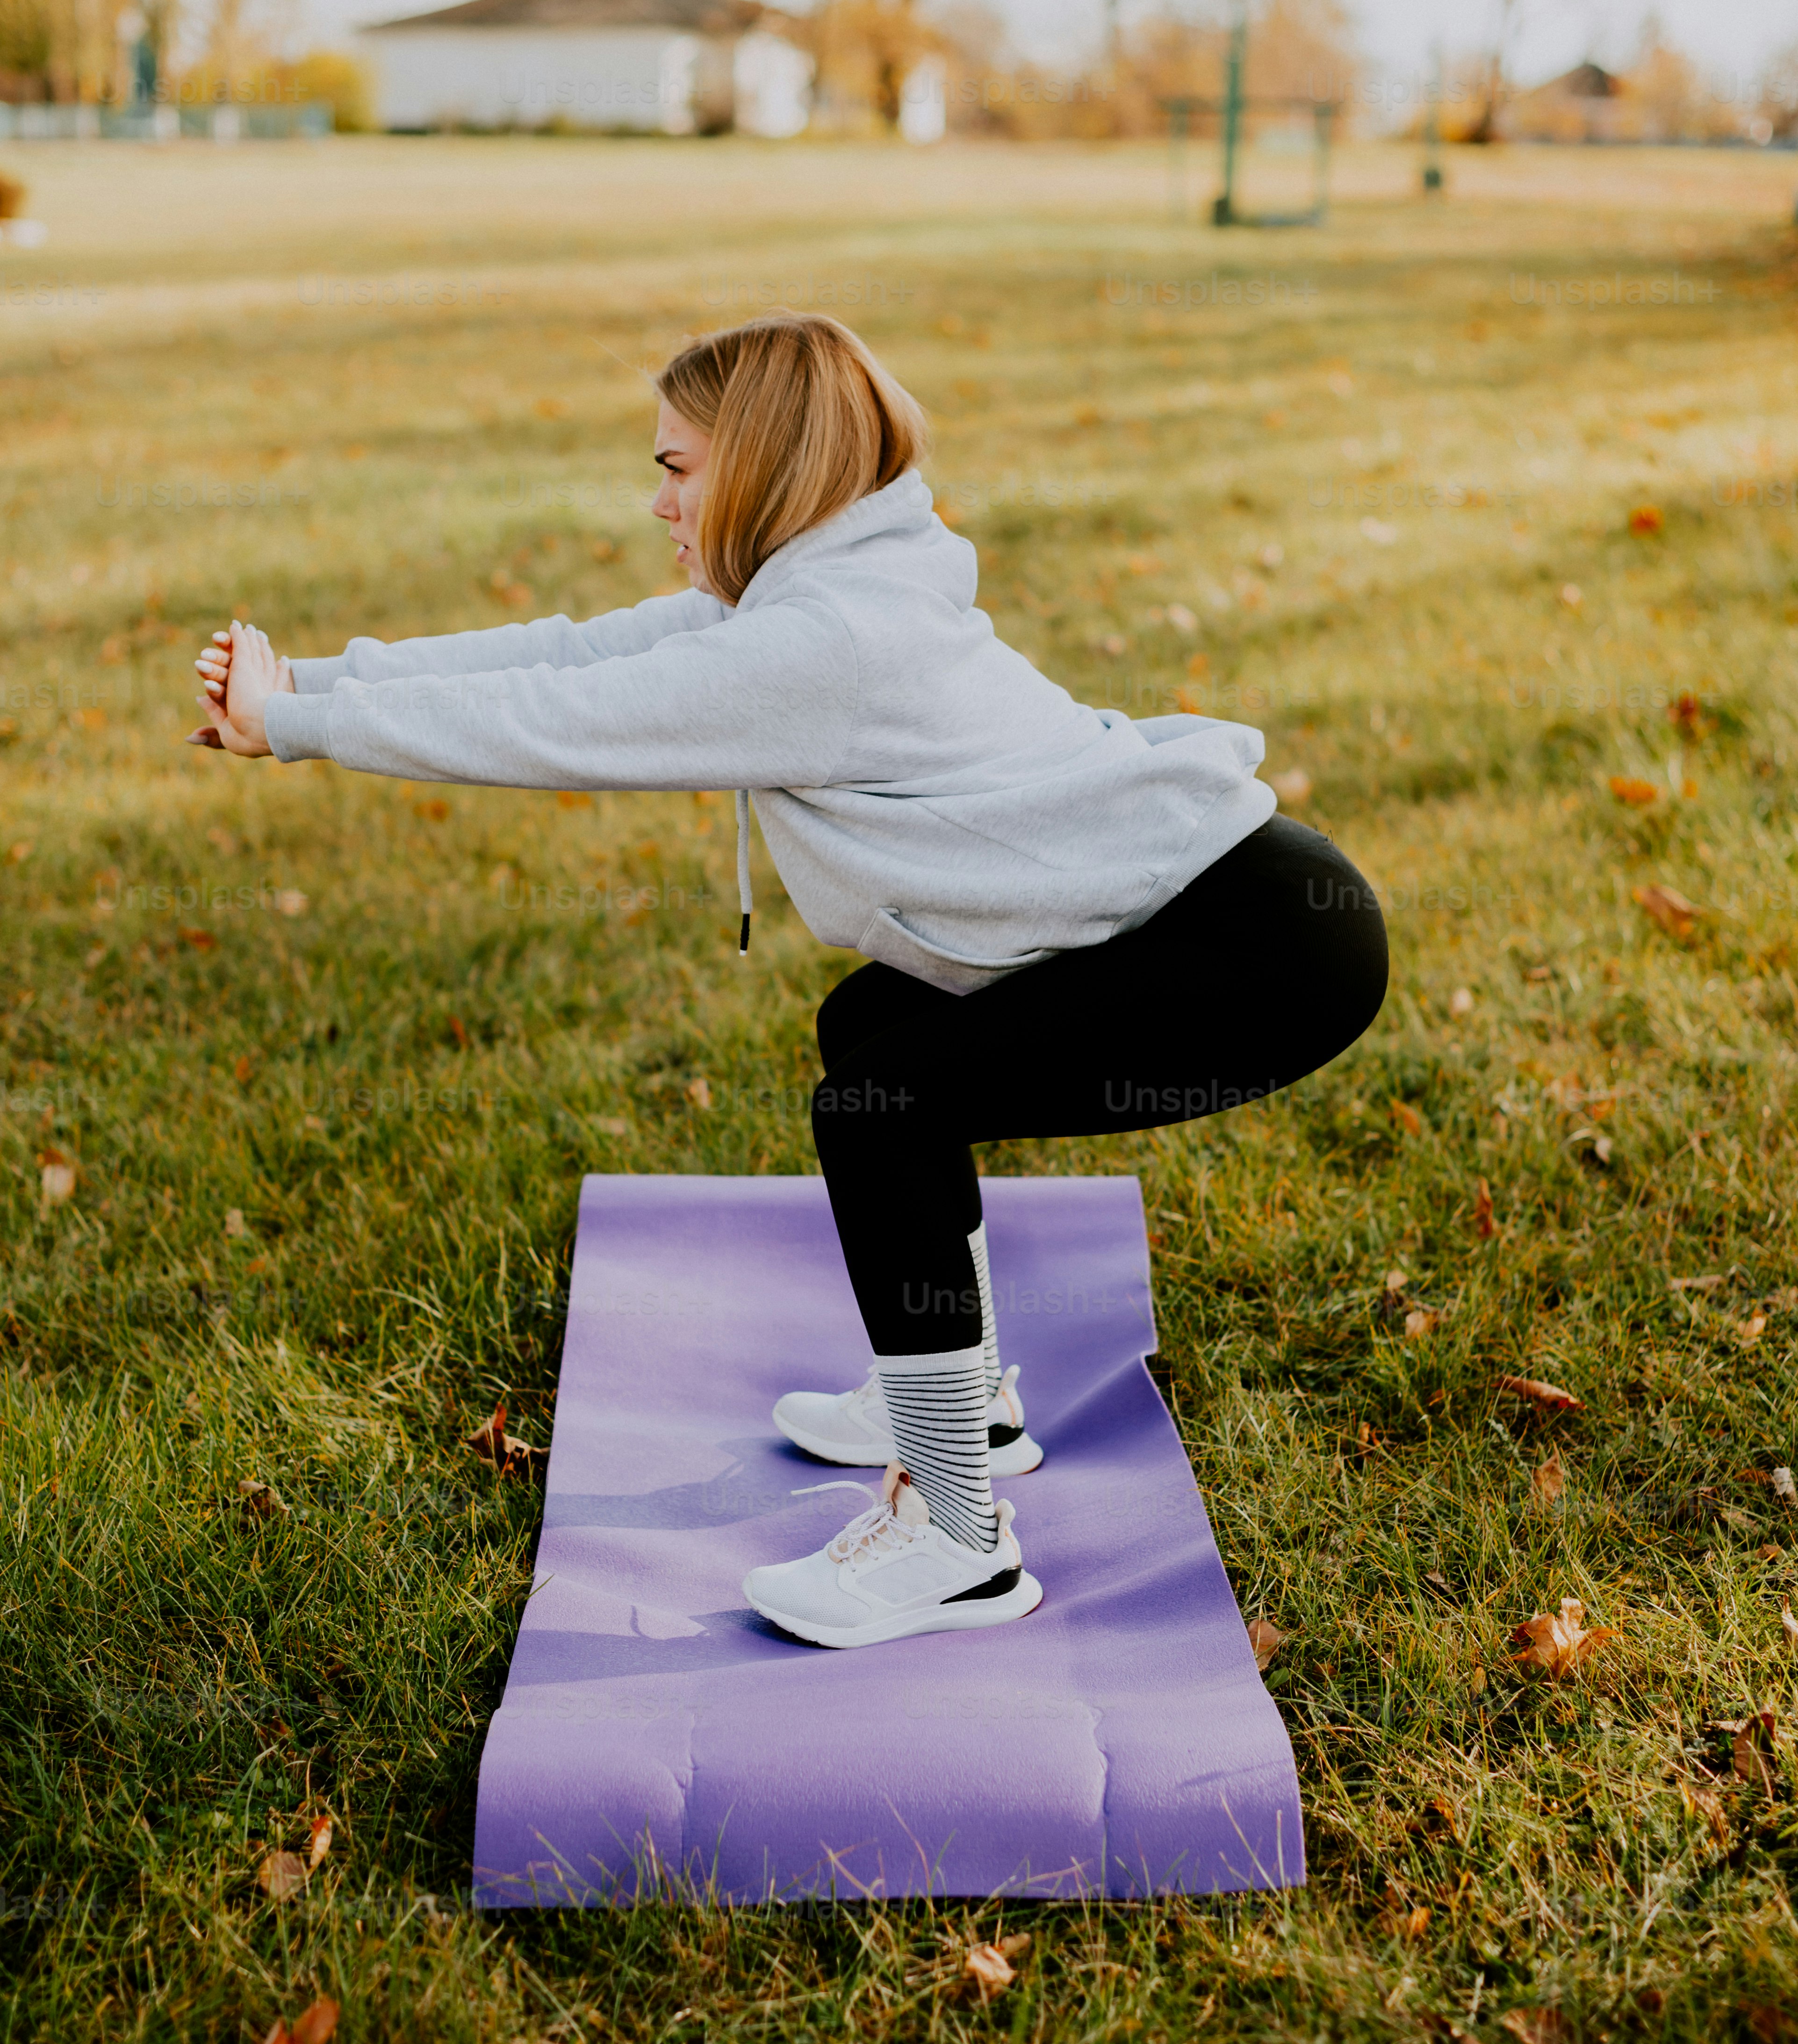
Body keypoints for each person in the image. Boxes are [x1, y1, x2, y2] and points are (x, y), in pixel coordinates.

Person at [192, 311, 1387, 1651]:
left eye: (678, 468)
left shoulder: (819, 646)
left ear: (762, 465)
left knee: (886, 1100)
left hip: (1267, 945)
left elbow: (555, 725)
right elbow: (580, 655)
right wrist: (323, 681)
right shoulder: (823, 594)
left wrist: (298, 724)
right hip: (1232, 898)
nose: (659, 499)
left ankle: (958, 1535)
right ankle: (962, 1393)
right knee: (872, 1026)